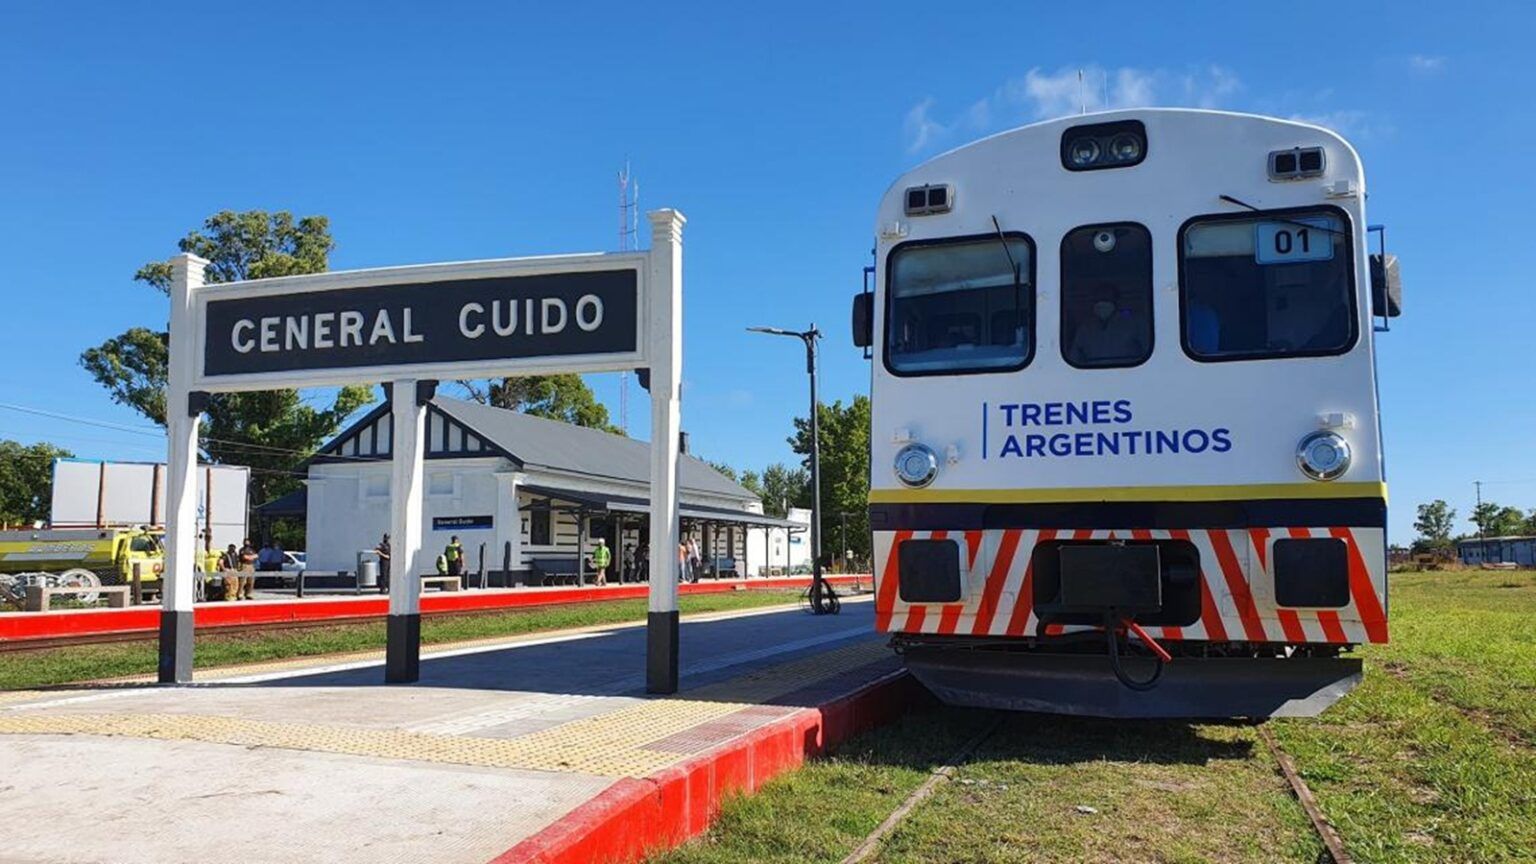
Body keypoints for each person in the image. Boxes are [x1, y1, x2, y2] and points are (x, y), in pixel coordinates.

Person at [1068, 284, 1146, 367]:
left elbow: (1148, 350)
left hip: (1129, 374)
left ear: (1117, 300)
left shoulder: (1135, 322)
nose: (1102, 303)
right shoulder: (1085, 328)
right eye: (1098, 299)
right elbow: (1074, 357)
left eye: (1106, 298)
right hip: (1094, 375)